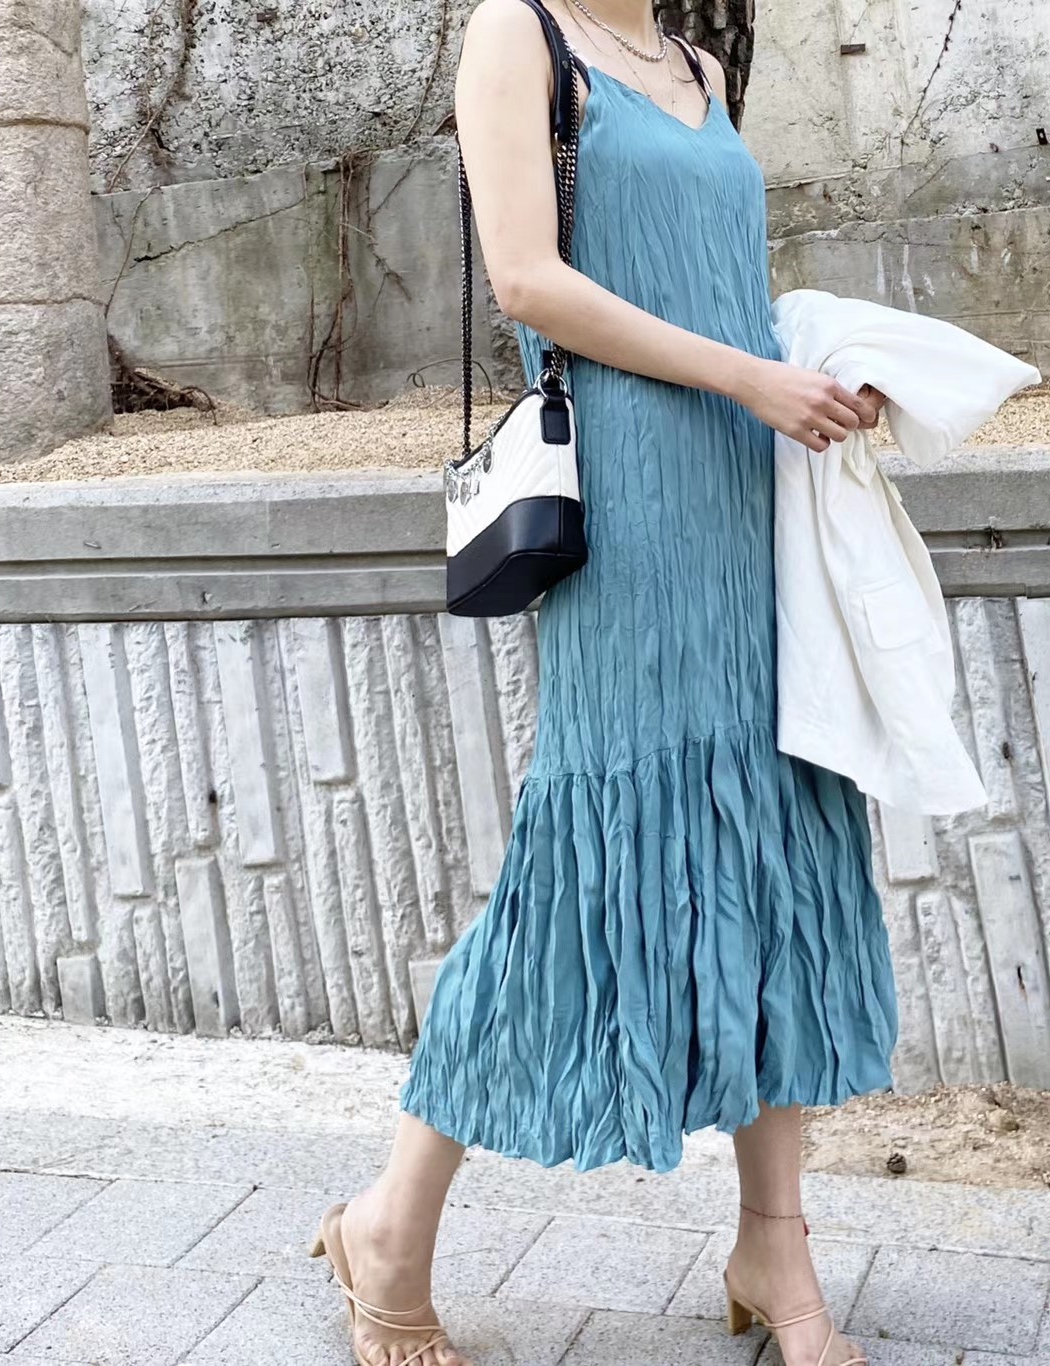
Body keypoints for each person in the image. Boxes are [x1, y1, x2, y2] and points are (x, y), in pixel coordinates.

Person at [311, 2, 897, 1363]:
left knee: (772, 835)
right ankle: (388, 1228)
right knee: (577, 871)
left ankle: (775, 1242)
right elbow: (528, 281)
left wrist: (819, 375)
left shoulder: (694, 65)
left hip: (749, 496)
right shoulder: (519, 33)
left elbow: (724, 285)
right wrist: (749, 377)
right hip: (627, 500)